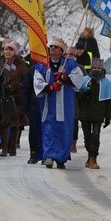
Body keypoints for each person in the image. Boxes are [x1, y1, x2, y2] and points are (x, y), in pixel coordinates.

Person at [32, 38, 84, 169]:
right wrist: (50, 87)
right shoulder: (43, 65)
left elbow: (79, 80)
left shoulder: (70, 64)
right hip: (48, 104)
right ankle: (48, 156)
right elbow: (37, 82)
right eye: (51, 47)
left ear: (61, 51)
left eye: (56, 47)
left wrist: (65, 78)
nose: (52, 49)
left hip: (65, 105)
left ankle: (61, 157)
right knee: (49, 128)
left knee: (64, 130)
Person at [77, 58, 111, 169]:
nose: (97, 69)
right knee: (87, 137)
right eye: (95, 67)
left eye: (99, 67)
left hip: (98, 115)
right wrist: (84, 93)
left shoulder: (106, 83)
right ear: (92, 68)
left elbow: (109, 102)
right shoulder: (85, 80)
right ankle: (89, 156)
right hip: (85, 114)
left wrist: (108, 117)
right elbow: (77, 97)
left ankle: (94, 158)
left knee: (96, 136)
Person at [0, 40, 28, 157]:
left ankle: (12, 148)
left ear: (15, 52)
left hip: (16, 96)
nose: (8, 52)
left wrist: (15, 85)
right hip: (2, 95)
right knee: (4, 122)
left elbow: (24, 79)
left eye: (10, 50)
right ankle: (4, 148)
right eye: (6, 49)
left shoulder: (20, 63)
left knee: (15, 123)